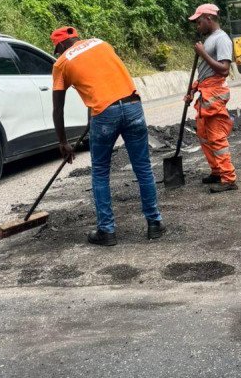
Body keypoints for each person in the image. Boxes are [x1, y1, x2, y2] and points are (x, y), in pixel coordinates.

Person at [51, 26, 165, 246]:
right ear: (77, 38)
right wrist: (89, 119)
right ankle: (154, 224)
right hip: (132, 105)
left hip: (105, 114)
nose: (58, 53)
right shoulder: (101, 43)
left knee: (101, 172)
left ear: (61, 45)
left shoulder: (62, 62)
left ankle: (107, 231)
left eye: (57, 49)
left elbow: (58, 109)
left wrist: (63, 142)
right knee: (142, 168)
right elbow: (99, 80)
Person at [185, 3, 238, 192]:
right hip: (206, 91)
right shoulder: (209, 39)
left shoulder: (222, 39)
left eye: (199, 22)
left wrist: (203, 54)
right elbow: (206, 73)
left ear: (208, 18)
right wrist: (193, 89)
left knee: (216, 136)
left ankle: (228, 178)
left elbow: (223, 70)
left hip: (214, 94)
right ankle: (216, 171)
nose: (197, 26)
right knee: (204, 134)